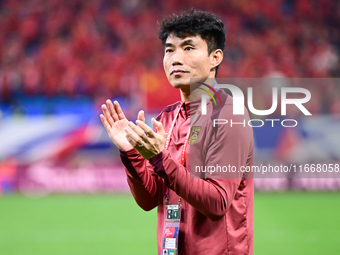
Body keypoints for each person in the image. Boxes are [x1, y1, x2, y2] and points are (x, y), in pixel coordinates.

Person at [100, 9, 254, 255]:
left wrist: (161, 159)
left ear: (215, 58)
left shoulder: (229, 116)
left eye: (188, 48)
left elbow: (217, 202)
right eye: (169, 50)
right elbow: (150, 200)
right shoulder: (166, 118)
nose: (175, 58)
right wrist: (131, 153)